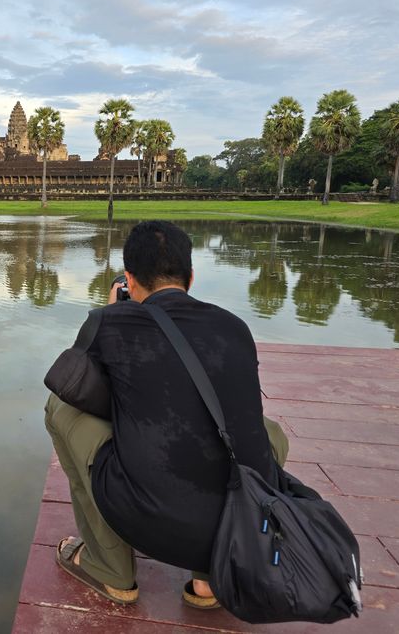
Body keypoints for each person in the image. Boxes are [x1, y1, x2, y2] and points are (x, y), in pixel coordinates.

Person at [44, 220, 289, 608]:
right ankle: (209, 581)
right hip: (236, 523)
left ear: (128, 279)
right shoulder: (235, 327)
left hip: (147, 520)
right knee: (267, 431)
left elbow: (78, 386)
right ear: (191, 277)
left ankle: (111, 568)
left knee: (60, 407)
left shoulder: (110, 321)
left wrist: (111, 314)